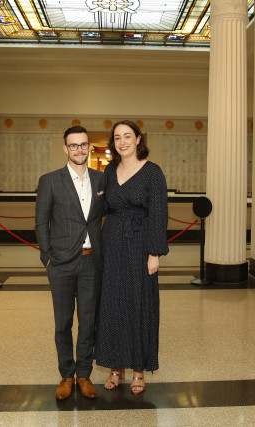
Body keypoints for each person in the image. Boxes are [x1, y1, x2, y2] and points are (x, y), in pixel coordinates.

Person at [94, 120, 169, 394]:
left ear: (138, 139)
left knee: (138, 304)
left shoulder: (152, 172)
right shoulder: (109, 170)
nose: (122, 142)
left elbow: (159, 215)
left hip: (140, 245)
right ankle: (116, 367)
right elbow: (100, 207)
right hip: (111, 243)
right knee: (112, 304)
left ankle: (138, 369)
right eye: (117, 138)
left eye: (127, 136)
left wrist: (154, 253)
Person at [35, 125, 106, 400]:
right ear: (66, 148)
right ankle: (66, 374)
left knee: (88, 322)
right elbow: (41, 222)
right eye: (73, 145)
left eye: (83, 144)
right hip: (61, 263)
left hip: (91, 263)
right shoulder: (50, 180)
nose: (79, 149)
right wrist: (47, 257)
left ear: (89, 147)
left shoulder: (101, 180)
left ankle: (84, 374)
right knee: (63, 323)